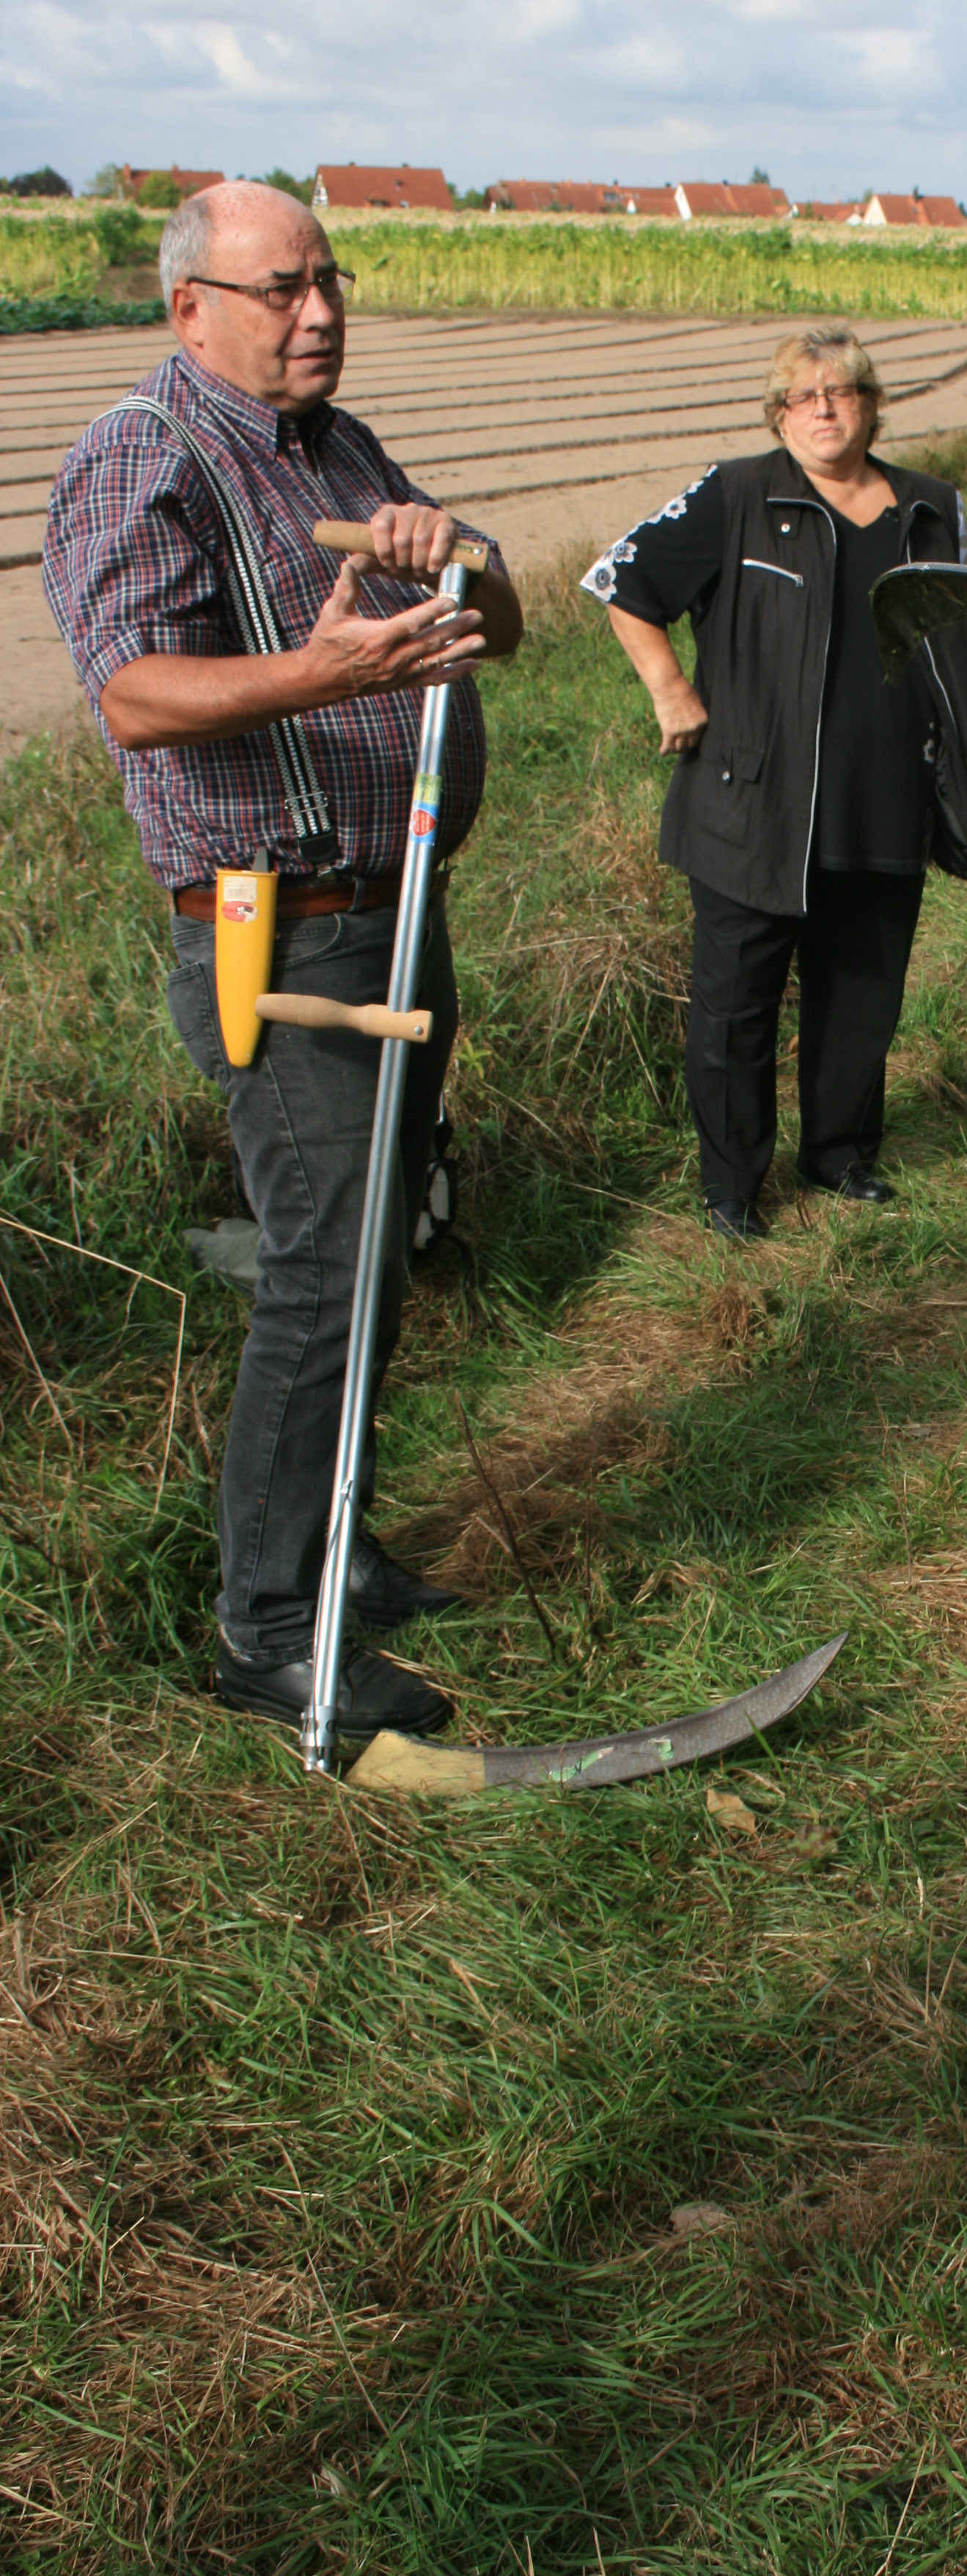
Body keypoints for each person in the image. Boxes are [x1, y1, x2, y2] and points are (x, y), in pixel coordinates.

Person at [42, 180, 522, 1741]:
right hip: (281, 930)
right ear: (191, 308)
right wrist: (320, 672)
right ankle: (264, 1631)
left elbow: (494, 623)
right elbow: (132, 694)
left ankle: (334, 1553)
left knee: (379, 1249)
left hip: (396, 907)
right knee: (324, 1268)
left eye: (329, 281)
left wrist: (462, 558)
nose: (318, 312)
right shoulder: (146, 454)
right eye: (281, 289)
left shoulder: (341, 448)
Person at [581, 329, 967, 1239]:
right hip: (753, 802)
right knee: (735, 1004)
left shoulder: (931, 508)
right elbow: (622, 579)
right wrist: (670, 690)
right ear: (778, 415)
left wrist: (963, 740)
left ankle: (839, 1155)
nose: (823, 408)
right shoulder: (737, 494)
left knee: (861, 993)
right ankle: (732, 1185)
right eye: (802, 395)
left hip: (884, 794)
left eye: (842, 391)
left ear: (872, 404)